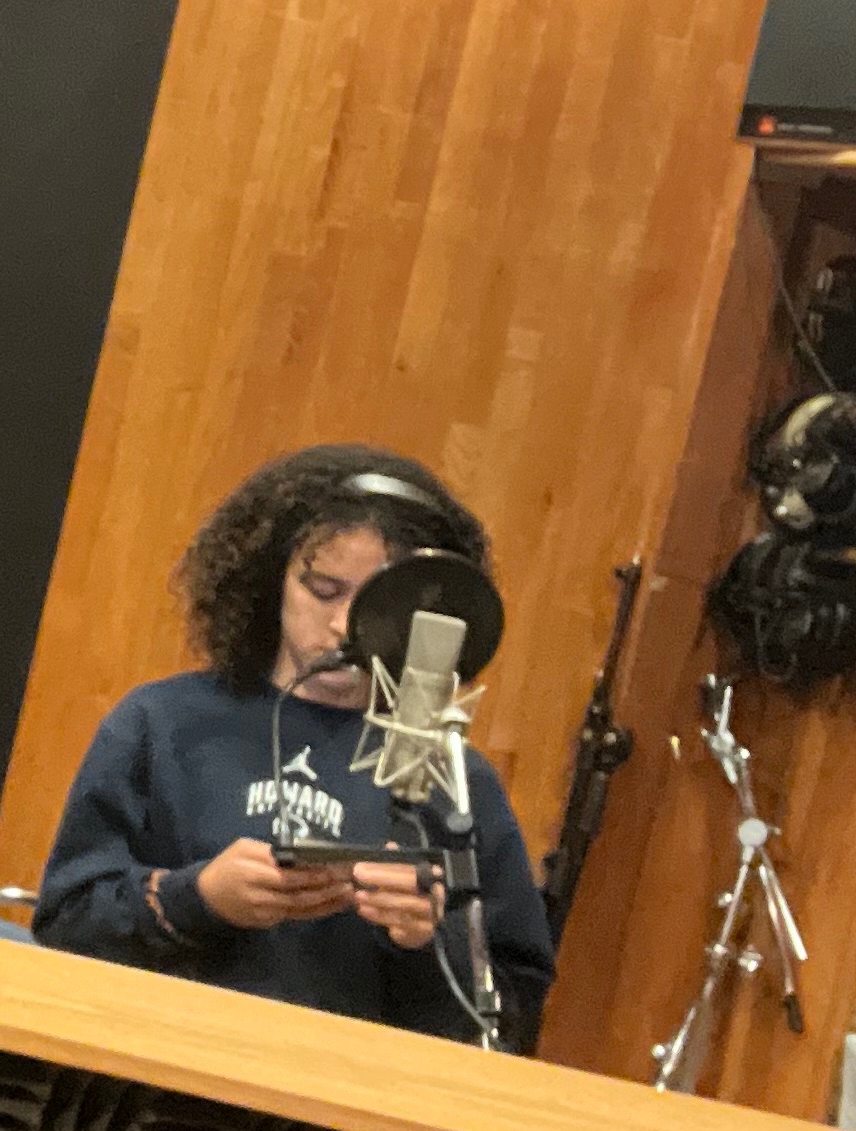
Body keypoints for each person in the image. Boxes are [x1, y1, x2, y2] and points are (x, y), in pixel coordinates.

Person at [34, 444, 555, 1047]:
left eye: (377, 603)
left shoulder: (456, 778)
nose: (343, 627)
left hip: (344, 1091)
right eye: (323, 590)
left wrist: (425, 941)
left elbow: (513, 1018)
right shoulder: (162, 722)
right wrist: (198, 899)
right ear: (271, 583)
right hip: (158, 1066)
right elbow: (64, 924)